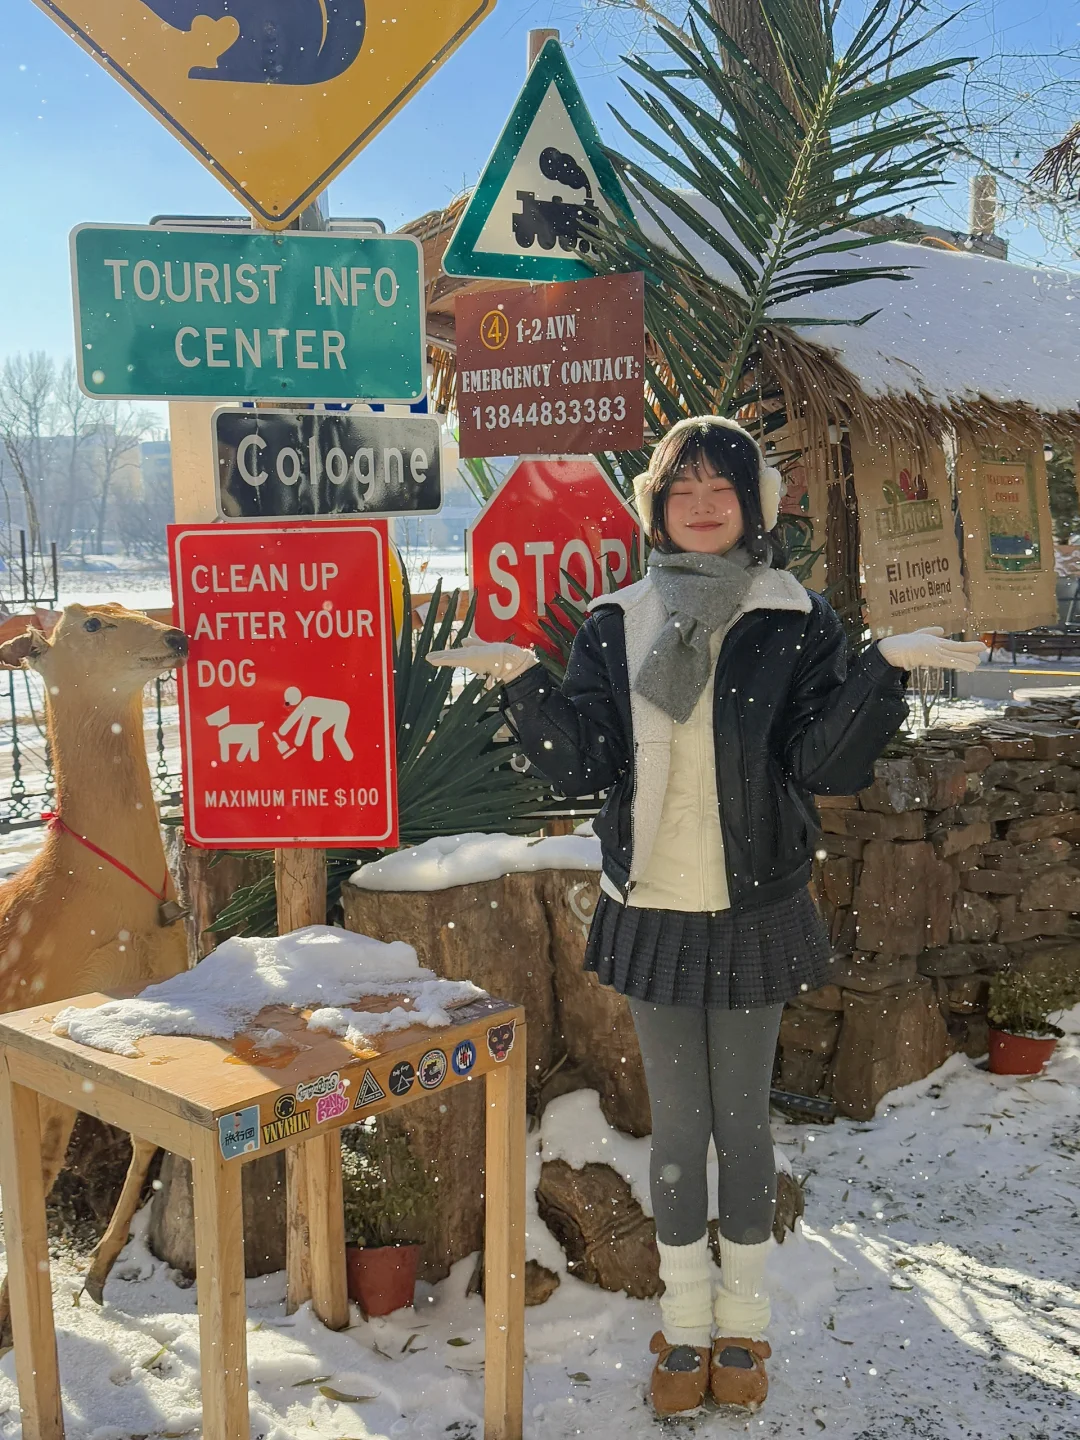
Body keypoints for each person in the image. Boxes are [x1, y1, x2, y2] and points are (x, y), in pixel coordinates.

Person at [429, 415, 986, 1416]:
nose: (700, 503)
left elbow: (822, 764)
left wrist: (884, 670)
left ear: (751, 508)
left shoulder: (793, 620)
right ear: (656, 507)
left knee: (743, 1126)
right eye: (680, 487)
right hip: (655, 911)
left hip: (753, 908)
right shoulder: (616, 622)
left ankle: (745, 1324)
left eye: (719, 486)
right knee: (679, 1132)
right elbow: (589, 765)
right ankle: (686, 1325)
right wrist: (522, 685)